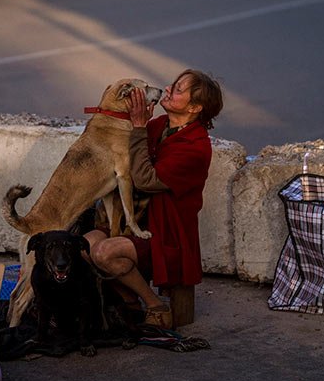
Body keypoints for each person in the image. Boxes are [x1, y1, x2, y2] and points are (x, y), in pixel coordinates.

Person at [83, 69, 223, 329]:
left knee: (104, 253)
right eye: (174, 84)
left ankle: (154, 305)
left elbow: (144, 179)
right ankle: (129, 302)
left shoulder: (195, 147)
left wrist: (137, 128)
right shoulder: (159, 126)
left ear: (194, 107)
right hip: (132, 220)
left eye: (178, 90)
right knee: (82, 247)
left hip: (164, 233)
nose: (168, 89)